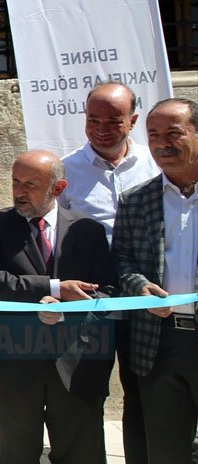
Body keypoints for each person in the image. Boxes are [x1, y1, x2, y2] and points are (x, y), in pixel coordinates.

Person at [0, 150, 116, 463]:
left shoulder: (88, 231)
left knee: (82, 454)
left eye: (31, 184)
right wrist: (54, 289)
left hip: (76, 365)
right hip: (14, 364)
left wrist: (66, 309)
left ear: (58, 188)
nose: (20, 191)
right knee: (17, 455)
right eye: (15, 181)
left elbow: (108, 293)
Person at [58, 82, 160, 464]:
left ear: (132, 120)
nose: (101, 128)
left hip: (147, 300)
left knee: (144, 391)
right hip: (92, 304)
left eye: (114, 120)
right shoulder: (66, 169)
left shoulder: (154, 166)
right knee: (85, 392)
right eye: (93, 119)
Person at [113, 97, 198, 461]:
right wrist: (139, 287)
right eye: (154, 134)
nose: (163, 142)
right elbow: (121, 260)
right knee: (166, 451)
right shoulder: (136, 200)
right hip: (160, 343)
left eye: (174, 133)